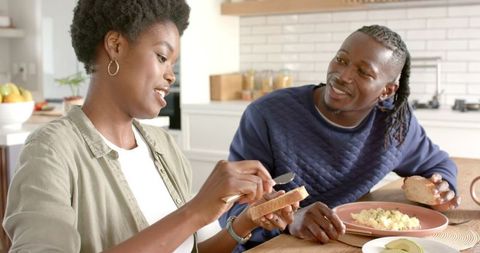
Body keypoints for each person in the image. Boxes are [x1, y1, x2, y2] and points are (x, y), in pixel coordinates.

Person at [2, 0, 298, 252]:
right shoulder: (51, 151)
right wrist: (195, 211)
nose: (171, 76)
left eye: (172, 64)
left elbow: (192, 248)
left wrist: (247, 219)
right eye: (161, 57)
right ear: (115, 46)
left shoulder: (162, 145)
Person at [220, 24, 460, 252]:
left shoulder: (393, 124)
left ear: (386, 91)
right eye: (341, 60)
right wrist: (290, 220)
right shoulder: (268, 114)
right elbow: (230, 208)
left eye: (363, 72)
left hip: (342, 244)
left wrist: (443, 187)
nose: (343, 75)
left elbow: (439, 165)